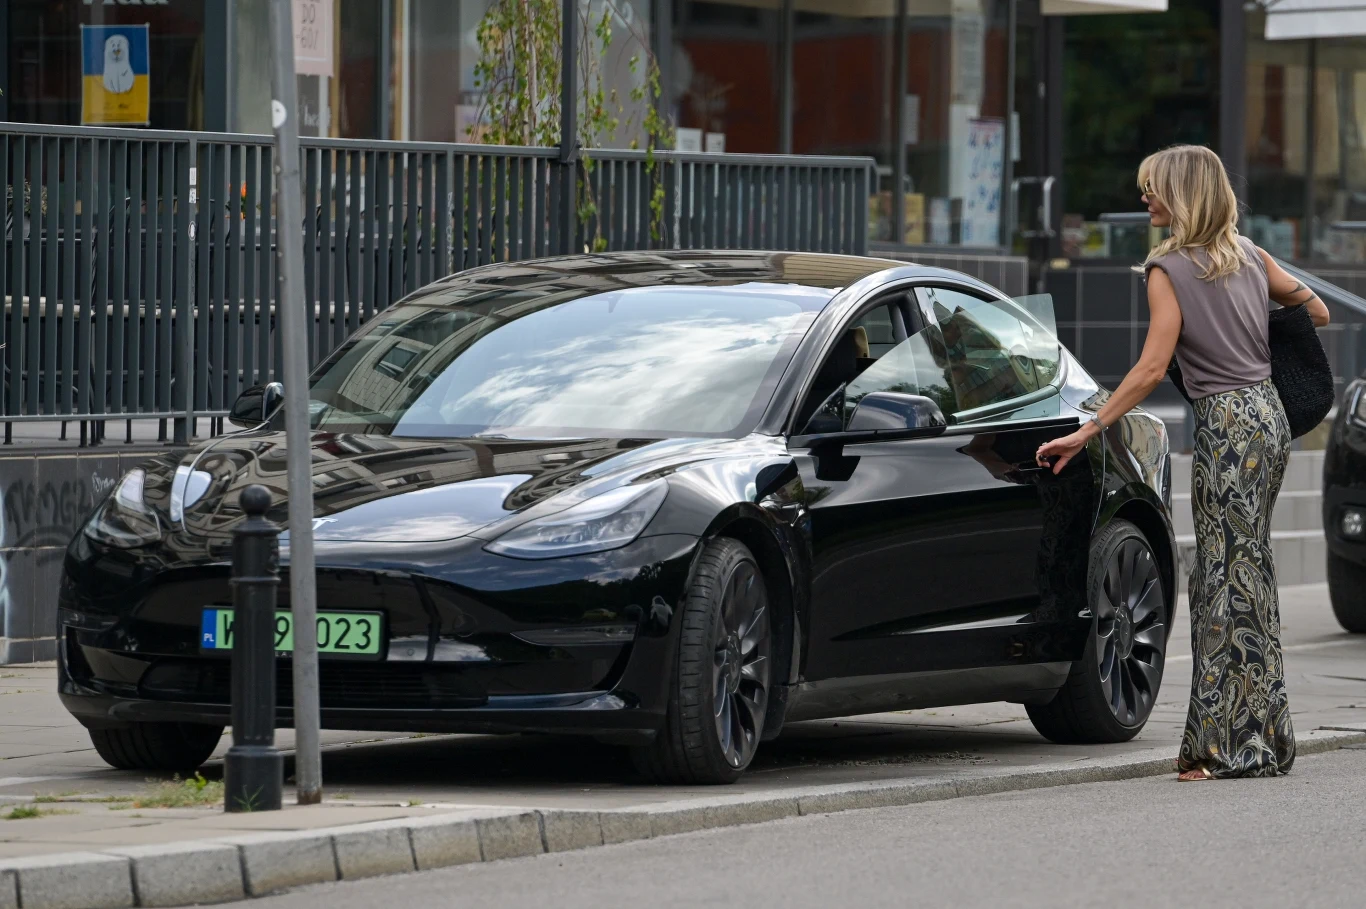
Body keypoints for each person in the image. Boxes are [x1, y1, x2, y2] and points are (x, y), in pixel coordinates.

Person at [1034, 144, 1330, 781]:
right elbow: (1318, 310)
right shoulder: (1250, 255)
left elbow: (1147, 368)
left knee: (1225, 579)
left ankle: (1229, 750)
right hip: (1269, 417)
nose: (1145, 200)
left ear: (1182, 194)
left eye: (1153, 189)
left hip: (1226, 423)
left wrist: (1089, 430)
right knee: (1246, 573)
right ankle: (1263, 741)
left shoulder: (1167, 268)